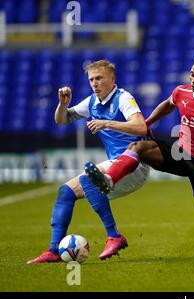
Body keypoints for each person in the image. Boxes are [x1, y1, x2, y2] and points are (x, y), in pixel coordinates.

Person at [83, 57, 194, 247]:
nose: (193, 80)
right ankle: (109, 179)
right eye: (192, 75)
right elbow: (168, 104)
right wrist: (147, 124)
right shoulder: (181, 91)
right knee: (138, 147)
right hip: (179, 152)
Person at [27, 60, 150, 263]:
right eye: (91, 79)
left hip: (134, 165)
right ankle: (53, 250)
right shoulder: (92, 102)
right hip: (113, 164)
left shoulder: (123, 98)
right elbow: (61, 120)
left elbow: (141, 127)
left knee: (88, 180)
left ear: (112, 79)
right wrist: (63, 104)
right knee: (65, 191)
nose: (95, 83)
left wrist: (106, 123)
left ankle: (114, 236)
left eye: (99, 78)